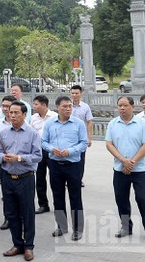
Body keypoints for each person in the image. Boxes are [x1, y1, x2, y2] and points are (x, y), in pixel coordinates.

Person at [0, 101, 42, 261]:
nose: (13, 115)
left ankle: (29, 246)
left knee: (27, 213)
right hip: (8, 178)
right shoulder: (2, 132)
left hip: (25, 178)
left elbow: (38, 156)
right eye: (11, 113)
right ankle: (17, 244)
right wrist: (3, 157)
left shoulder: (32, 133)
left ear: (24, 114)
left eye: (16, 113)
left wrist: (19, 158)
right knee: (11, 213)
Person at [105, 96, 145, 242]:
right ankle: (126, 226)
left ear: (132, 106)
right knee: (121, 199)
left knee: (142, 198)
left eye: (125, 105)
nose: (122, 108)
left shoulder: (142, 124)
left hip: (139, 169)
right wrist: (123, 161)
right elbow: (109, 144)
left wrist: (131, 162)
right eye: (119, 105)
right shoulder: (113, 124)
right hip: (120, 169)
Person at [41, 95, 87, 241]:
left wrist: (70, 151)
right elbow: (43, 141)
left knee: (75, 197)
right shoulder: (49, 123)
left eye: (70, 106)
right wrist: (51, 149)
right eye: (65, 106)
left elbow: (83, 143)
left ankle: (78, 229)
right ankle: (61, 226)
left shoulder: (78, 123)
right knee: (57, 196)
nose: (68, 109)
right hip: (55, 164)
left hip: (73, 165)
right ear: (57, 108)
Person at [30, 95, 58, 215]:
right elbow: (31, 134)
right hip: (39, 151)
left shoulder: (54, 117)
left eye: (36, 104)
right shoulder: (33, 118)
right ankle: (43, 204)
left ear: (44, 105)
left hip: (52, 151)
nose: (34, 106)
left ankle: (58, 205)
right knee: (40, 178)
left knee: (55, 179)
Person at [70, 85, 93, 186]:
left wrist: (89, 137)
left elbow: (89, 122)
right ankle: (69, 179)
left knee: (80, 159)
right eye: (73, 93)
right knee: (68, 157)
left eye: (76, 93)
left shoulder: (85, 107)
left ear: (81, 94)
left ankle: (78, 179)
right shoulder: (67, 106)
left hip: (81, 137)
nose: (74, 95)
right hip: (69, 137)